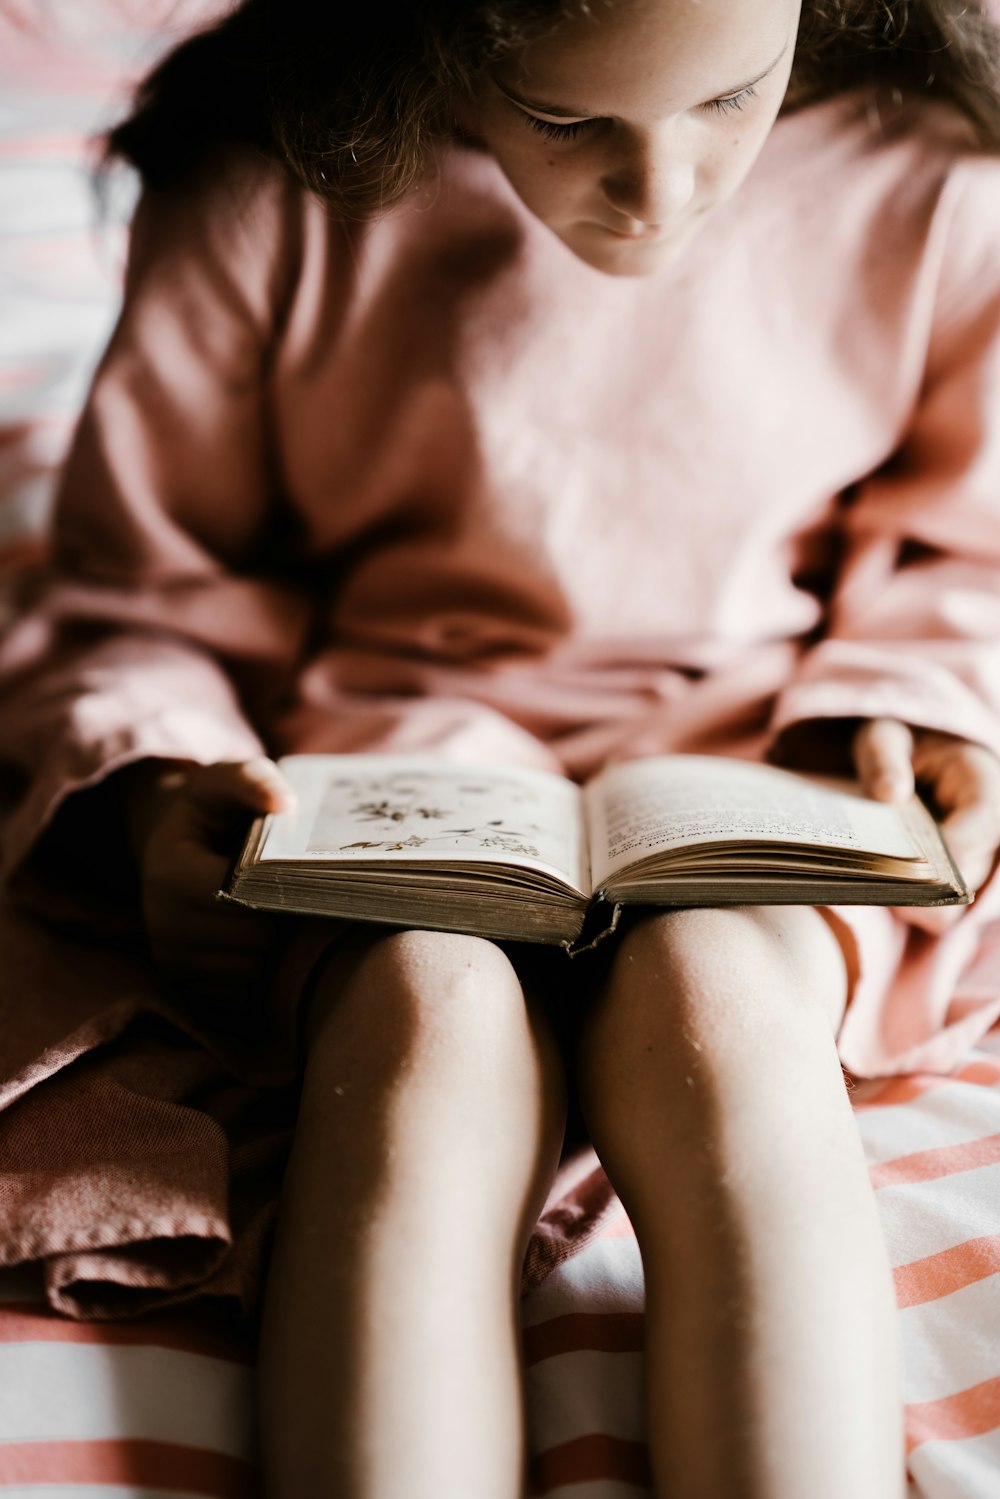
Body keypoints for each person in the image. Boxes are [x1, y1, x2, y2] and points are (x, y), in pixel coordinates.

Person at [2, 0, 1000, 1494]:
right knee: (421, 1026)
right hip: (384, 761)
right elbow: (144, 593)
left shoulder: (930, 180)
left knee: (726, 1017)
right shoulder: (277, 189)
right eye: (569, 123)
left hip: (767, 757)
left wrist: (924, 716)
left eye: (731, 99)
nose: (662, 189)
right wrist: (161, 781)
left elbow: (963, 552)